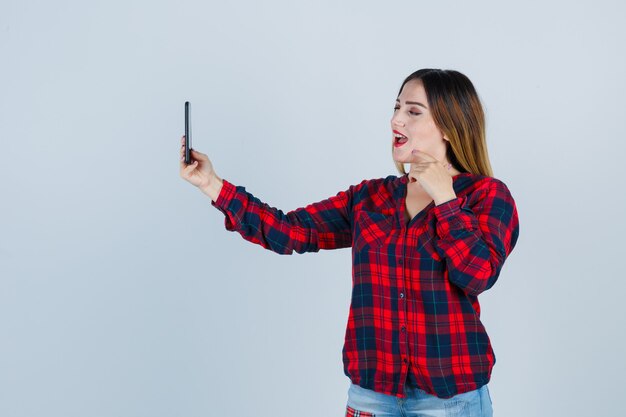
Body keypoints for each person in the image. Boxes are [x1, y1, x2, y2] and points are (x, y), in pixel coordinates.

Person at [179, 68, 519, 417]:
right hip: (372, 397)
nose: (396, 119)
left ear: (450, 126)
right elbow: (290, 230)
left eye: (413, 111)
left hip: (450, 401)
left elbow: (477, 275)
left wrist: (446, 200)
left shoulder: (487, 196)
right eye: (396, 107)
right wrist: (212, 185)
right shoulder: (369, 198)